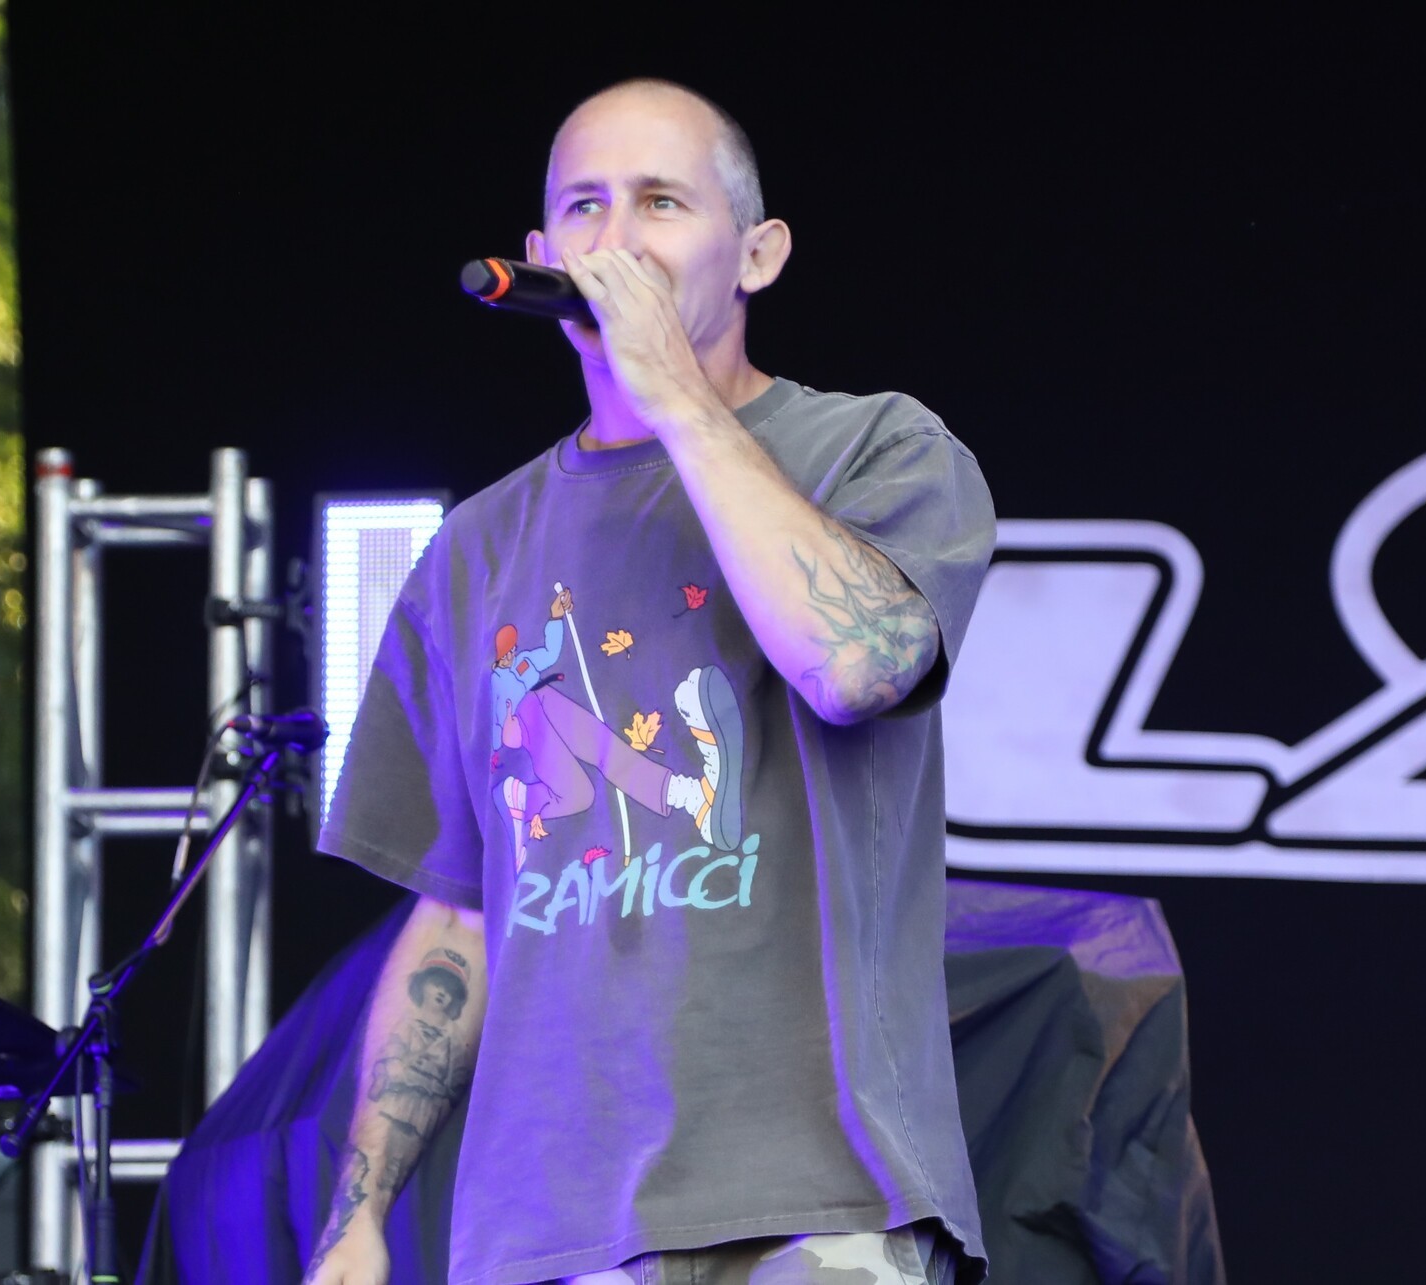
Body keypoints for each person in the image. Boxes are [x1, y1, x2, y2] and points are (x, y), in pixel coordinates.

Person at [307, 78, 996, 1285]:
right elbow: (461, 914)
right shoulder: (473, 551)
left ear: (758, 255)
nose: (616, 239)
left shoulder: (878, 448)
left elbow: (857, 666)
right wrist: (358, 1214)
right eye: (585, 207)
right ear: (540, 256)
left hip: (816, 1202)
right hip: (541, 1235)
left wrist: (673, 393)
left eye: (661, 202)